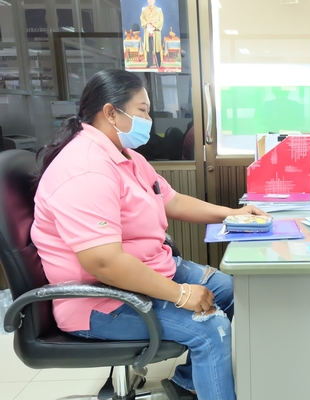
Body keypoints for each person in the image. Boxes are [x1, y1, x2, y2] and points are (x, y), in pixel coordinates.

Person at [31, 69, 267, 400]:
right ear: (111, 112)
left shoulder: (128, 157)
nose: (149, 120)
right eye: (142, 111)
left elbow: (173, 200)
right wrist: (180, 294)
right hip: (101, 299)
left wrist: (232, 212)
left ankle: (189, 382)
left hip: (144, 271)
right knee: (211, 329)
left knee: (229, 290)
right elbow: (103, 263)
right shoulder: (85, 169)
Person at [140, 0, 163, 68]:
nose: (150, 1)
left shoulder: (158, 10)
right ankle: (149, 63)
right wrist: (147, 25)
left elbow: (161, 20)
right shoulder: (144, 10)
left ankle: (158, 63)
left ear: (154, 1)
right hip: (147, 32)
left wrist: (154, 27)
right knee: (149, 48)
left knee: (157, 48)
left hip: (155, 32)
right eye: (149, 0)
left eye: (152, 0)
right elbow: (142, 18)